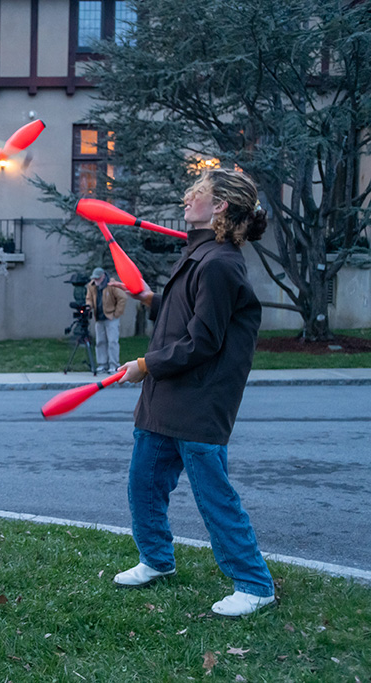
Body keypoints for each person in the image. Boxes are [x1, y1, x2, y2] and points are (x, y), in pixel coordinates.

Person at [112, 168, 275, 618]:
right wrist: (150, 300)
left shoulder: (221, 262)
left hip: (200, 401)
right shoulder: (202, 256)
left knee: (213, 496)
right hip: (167, 398)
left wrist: (144, 366)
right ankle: (157, 560)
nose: (187, 198)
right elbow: (186, 315)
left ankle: (255, 584)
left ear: (219, 206)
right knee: (144, 484)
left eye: (197, 193)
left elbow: (203, 340)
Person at [85, 267, 127, 374]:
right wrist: (89, 306)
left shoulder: (111, 285)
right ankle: (102, 364)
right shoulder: (92, 285)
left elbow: (123, 298)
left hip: (111, 317)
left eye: (98, 278)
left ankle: (113, 364)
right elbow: (89, 298)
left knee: (112, 341)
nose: (96, 281)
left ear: (103, 276)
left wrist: (116, 314)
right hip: (99, 317)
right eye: (94, 278)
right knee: (100, 341)